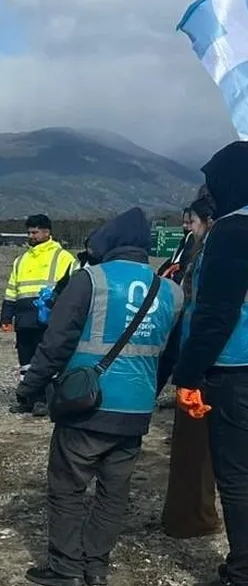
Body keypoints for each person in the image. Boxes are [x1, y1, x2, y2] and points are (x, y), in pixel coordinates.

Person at [14, 208, 184, 586]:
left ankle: (66, 568)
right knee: (113, 492)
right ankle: (96, 565)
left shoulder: (90, 280)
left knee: (68, 487)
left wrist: (29, 387)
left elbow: (56, 342)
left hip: (86, 404)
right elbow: (171, 355)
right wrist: (149, 392)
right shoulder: (171, 291)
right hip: (136, 409)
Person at [172, 142, 248, 586]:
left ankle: (242, 569)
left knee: (236, 476)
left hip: (235, 368)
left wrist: (187, 371)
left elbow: (217, 312)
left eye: (213, 181)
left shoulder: (234, 231)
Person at [159, 195, 221, 540]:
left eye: (192, 222)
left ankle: (192, 518)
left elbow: (203, 311)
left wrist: (187, 369)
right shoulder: (199, 251)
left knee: (194, 444)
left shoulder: (210, 254)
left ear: (209, 221)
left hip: (205, 358)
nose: (188, 228)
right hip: (214, 356)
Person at [5, 214, 78, 415]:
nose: (31, 236)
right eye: (29, 232)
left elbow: (73, 288)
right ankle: (27, 398)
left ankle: (44, 400)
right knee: (25, 361)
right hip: (24, 319)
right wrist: (6, 315)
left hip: (49, 318)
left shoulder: (63, 257)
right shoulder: (21, 260)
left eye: (35, 232)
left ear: (47, 232)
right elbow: (12, 289)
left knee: (46, 359)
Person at [157, 207, 196, 282]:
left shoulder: (193, 241)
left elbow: (184, 267)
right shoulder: (183, 241)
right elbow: (172, 261)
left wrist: (172, 277)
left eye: (188, 223)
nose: (184, 226)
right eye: (184, 222)